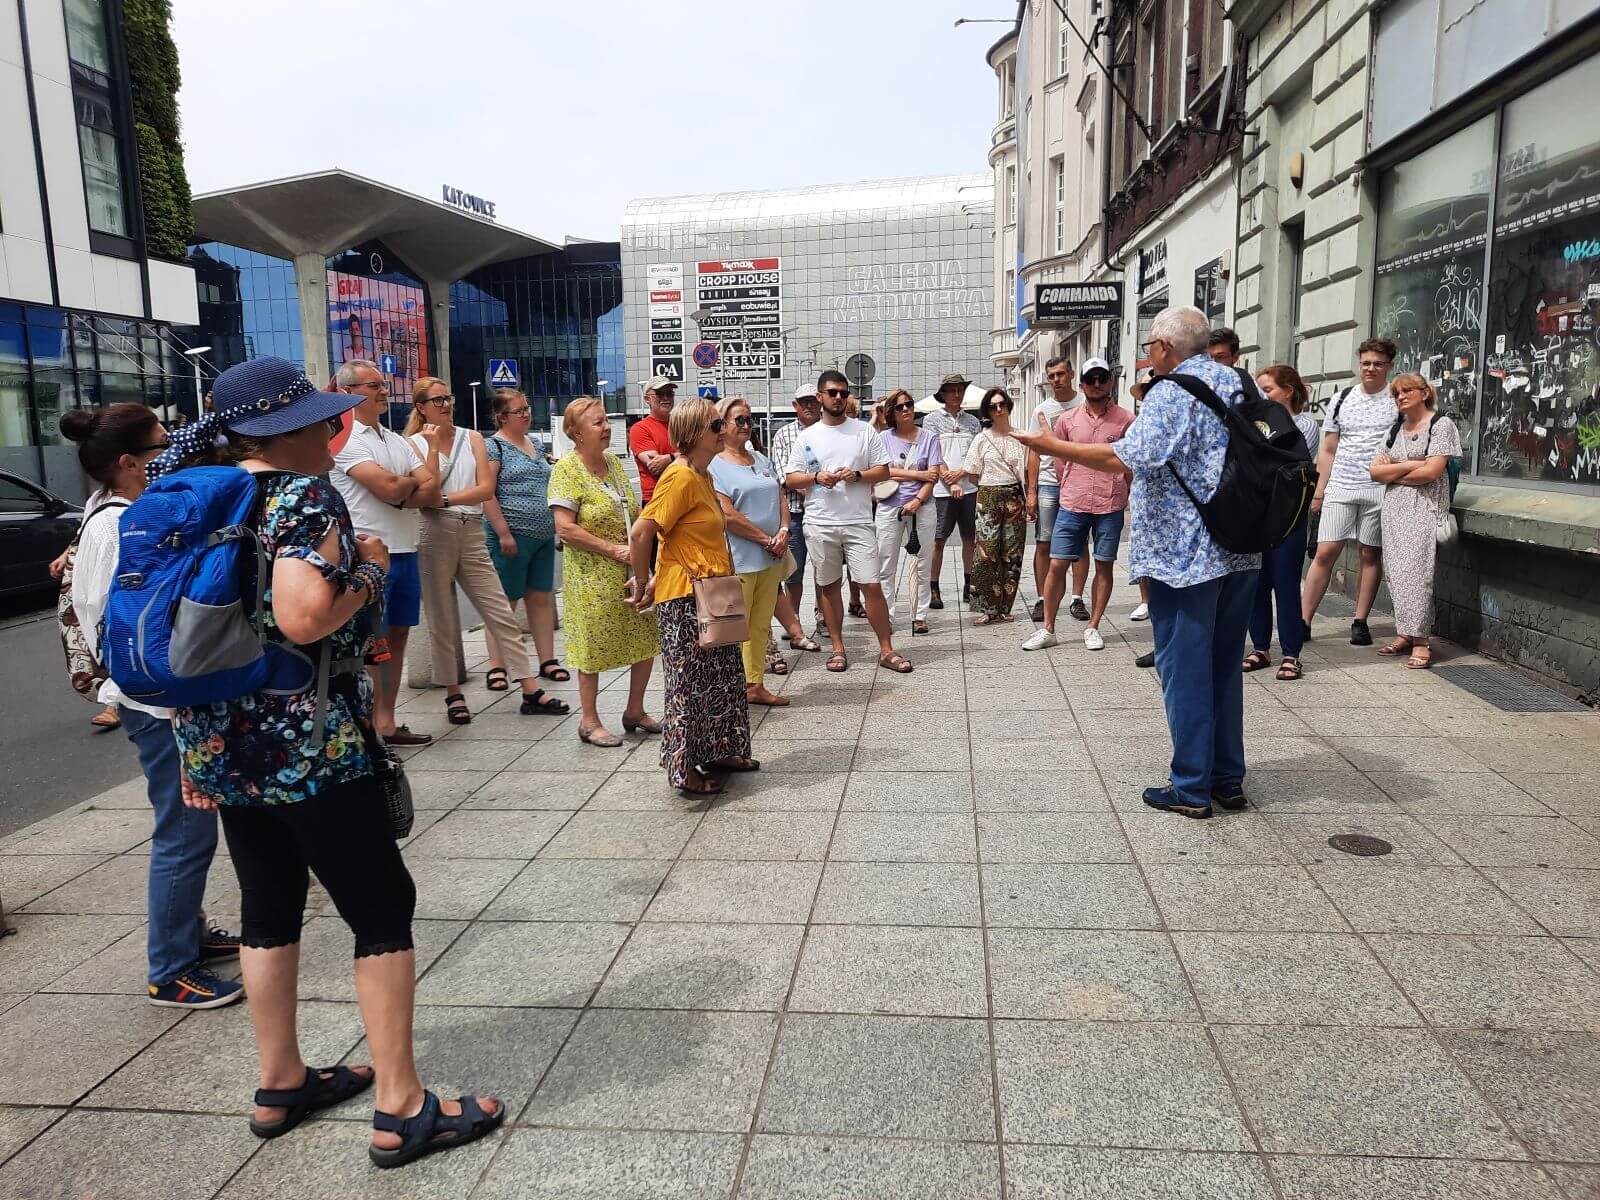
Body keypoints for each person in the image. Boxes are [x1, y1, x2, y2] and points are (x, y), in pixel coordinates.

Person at [148, 356, 502, 1168]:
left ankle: (280, 1082)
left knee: (268, 902)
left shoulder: (200, 493)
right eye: (321, 421)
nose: (333, 431)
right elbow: (304, 616)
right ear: (289, 429)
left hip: (223, 737)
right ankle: (402, 1106)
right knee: (380, 904)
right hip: (306, 741)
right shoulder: (299, 496)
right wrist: (370, 567)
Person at [1017, 307, 1260, 819]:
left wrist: (1051, 446)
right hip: (1241, 545)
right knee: (1222, 667)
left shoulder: (1173, 390)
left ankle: (1192, 784)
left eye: (1149, 346)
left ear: (1166, 348)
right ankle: (1227, 777)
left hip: (1186, 554)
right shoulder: (1238, 382)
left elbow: (1127, 456)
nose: (1147, 356)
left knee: (1184, 667)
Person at [61, 403, 243, 1010]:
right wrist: (174, 704)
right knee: (186, 831)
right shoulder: (123, 525)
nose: (174, 452)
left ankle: (187, 932)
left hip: (145, 694)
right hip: (156, 700)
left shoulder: (109, 514)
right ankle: (170, 969)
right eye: (162, 445)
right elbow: (133, 625)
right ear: (130, 463)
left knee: (188, 825)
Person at [404, 379, 567, 723]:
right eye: (437, 400)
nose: (446, 404)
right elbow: (426, 485)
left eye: (448, 397)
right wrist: (432, 450)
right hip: (434, 530)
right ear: (421, 407)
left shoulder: (472, 438)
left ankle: (529, 686)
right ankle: (453, 693)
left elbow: (484, 488)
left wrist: (446, 498)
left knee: (499, 609)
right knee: (442, 616)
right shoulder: (413, 445)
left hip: (470, 528)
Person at [630, 398, 757, 796]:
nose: (724, 430)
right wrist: (643, 580)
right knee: (689, 685)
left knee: (721, 679)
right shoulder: (680, 477)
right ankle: (683, 770)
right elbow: (642, 532)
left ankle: (720, 751)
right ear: (693, 434)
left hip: (712, 589)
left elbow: (677, 535)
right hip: (686, 597)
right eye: (715, 425)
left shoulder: (702, 475)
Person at [330, 359, 440, 747]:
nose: (384, 390)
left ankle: (387, 722)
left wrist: (400, 489)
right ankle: (367, 725)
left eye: (383, 383)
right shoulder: (345, 440)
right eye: (373, 385)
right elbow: (394, 489)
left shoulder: (394, 440)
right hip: (368, 555)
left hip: (405, 549)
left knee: (397, 639)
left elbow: (432, 490)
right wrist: (404, 489)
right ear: (347, 393)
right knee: (369, 645)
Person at [548, 396, 661, 747]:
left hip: (630, 568)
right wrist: (612, 548)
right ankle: (589, 720)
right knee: (592, 645)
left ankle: (634, 710)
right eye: (597, 422)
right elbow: (565, 528)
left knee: (645, 638)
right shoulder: (566, 470)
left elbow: (637, 512)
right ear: (576, 433)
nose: (606, 427)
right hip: (591, 574)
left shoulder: (613, 463)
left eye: (606, 421)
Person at [784, 370, 912, 674]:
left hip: (858, 521)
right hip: (820, 522)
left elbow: (884, 471)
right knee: (828, 587)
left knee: (871, 585)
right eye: (832, 393)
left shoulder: (863, 432)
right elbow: (790, 478)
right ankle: (838, 649)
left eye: (843, 392)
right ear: (820, 397)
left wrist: (857, 476)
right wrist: (817, 477)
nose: (839, 397)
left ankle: (886, 649)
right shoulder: (807, 436)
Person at [1023, 357, 1135, 651]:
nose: (1097, 384)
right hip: (1073, 500)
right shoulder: (1067, 420)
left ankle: (1093, 626)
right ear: (1082, 383)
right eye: (1091, 379)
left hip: (1110, 503)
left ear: (1110, 380)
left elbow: (1130, 462)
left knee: (1104, 564)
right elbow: (1058, 459)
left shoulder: (1126, 419)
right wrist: (1069, 482)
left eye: (1102, 378)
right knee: (1057, 562)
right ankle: (1048, 628)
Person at [1302, 338, 1399, 646]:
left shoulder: (1398, 399)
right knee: (1325, 551)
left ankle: (1360, 621)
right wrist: (1320, 490)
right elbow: (1328, 449)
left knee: (1369, 553)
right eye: (1366, 362)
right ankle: (1303, 621)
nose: (1371, 368)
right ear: (1360, 363)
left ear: (1390, 366)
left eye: (1378, 363)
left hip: (1379, 487)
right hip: (1342, 485)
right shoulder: (1342, 398)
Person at [479, 389, 569, 705]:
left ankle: (547, 660)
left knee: (540, 598)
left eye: (527, 408)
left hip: (543, 536)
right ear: (502, 417)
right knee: (504, 602)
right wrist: (503, 532)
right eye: (518, 410)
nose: (526, 414)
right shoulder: (494, 447)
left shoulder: (536, 444)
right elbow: (486, 493)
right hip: (511, 536)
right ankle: (497, 665)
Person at [1369, 373, 1461, 670]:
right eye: (1396, 393)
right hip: (1394, 510)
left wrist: (1394, 470)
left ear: (1424, 393)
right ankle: (1405, 633)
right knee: (1395, 574)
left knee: (1416, 573)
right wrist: (1409, 464)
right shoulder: (1395, 428)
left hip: (1424, 509)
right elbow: (1374, 472)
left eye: (1407, 391)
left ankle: (1421, 641)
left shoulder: (1441, 425)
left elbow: (1432, 472)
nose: (1401, 397)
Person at [709, 395, 792, 707]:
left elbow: (780, 496)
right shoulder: (714, 465)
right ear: (722, 425)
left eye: (748, 419)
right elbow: (726, 514)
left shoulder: (760, 457)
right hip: (739, 559)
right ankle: (731, 689)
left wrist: (783, 531)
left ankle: (754, 684)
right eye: (739, 420)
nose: (746, 425)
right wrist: (764, 539)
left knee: (759, 626)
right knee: (732, 630)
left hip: (770, 557)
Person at [1244, 365, 1321, 680]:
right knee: (1256, 584)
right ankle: (1260, 648)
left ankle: (1291, 653)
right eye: (1259, 389)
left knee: (1286, 584)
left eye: (1269, 389)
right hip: (1256, 514)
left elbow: (1287, 463)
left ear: (1288, 390)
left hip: (1289, 515)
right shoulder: (1253, 422)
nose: (1263, 395)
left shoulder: (1305, 425)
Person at [960, 387, 1032, 625]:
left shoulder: (1021, 437)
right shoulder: (981, 438)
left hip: (1014, 494)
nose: (998, 409)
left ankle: (1005, 606)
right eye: (993, 406)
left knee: (1012, 552)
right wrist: (987, 486)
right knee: (986, 551)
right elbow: (972, 473)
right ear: (987, 411)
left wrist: (1031, 496)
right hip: (989, 493)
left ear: (1009, 406)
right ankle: (987, 607)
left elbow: (1030, 470)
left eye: (1001, 404)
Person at [874, 388, 940, 635]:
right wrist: (917, 474)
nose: (906, 410)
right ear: (892, 411)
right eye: (900, 406)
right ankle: (886, 615)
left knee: (922, 562)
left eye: (909, 405)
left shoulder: (930, 438)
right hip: (890, 505)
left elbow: (933, 476)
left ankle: (919, 614)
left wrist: (918, 500)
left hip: (922, 507)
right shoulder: (882, 439)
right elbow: (882, 472)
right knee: (886, 564)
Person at [769, 383, 824, 642]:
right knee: (794, 571)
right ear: (795, 406)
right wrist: (812, 487)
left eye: (813, 400)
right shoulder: (783, 435)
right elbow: (783, 476)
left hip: (825, 512)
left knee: (825, 568)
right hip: (794, 511)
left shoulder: (829, 431)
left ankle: (824, 616)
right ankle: (795, 624)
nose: (810, 406)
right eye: (804, 402)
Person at [924, 372, 982, 610]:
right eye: (952, 390)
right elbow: (934, 454)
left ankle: (969, 585)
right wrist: (951, 480)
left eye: (960, 390)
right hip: (942, 490)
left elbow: (976, 453)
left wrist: (962, 475)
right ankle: (934, 587)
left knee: (970, 539)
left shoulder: (973, 421)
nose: (957, 394)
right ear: (943, 394)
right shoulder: (931, 420)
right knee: (939, 540)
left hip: (969, 487)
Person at [1028, 356, 1076, 621]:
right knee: (1043, 542)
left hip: (1078, 481)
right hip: (1048, 482)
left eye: (1060, 374)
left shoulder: (1083, 403)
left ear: (1070, 374)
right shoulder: (1041, 409)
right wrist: (1031, 491)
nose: (1056, 380)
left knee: (1078, 545)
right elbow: (1034, 452)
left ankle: (1077, 598)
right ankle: (1041, 597)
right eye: (1051, 376)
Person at [628, 375, 677, 505]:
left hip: (686, 498)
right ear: (647, 399)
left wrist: (670, 458)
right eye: (660, 394)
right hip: (657, 501)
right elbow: (656, 466)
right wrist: (687, 455)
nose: (666, 398)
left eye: (669, 393)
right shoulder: (640, 429)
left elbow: (701, 454)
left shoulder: (682, 423)